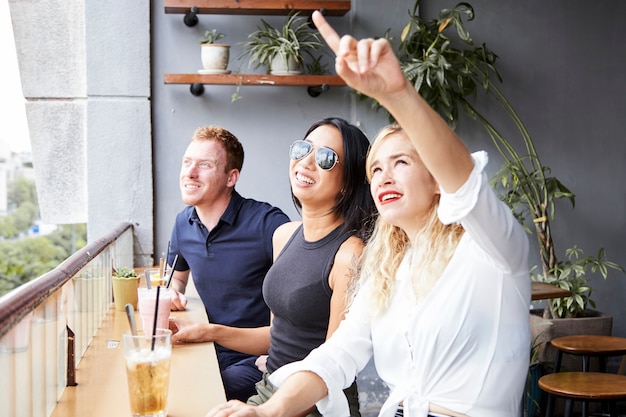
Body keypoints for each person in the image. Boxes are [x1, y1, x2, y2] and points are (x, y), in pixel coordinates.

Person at [205, 10, 531, 417]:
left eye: (401, 163)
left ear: (436, 180)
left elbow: (466, 184)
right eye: (376, 168)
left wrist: (397, 95)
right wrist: (267, 411)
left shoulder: (493, 251)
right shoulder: (388, 267)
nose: (383, 177)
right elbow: (336, 354)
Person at [169, 117, 376, 417]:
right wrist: (206, 331)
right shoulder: (284, 236)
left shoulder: (349, 253)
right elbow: (279, 337)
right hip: (273, 385)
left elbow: (333, 368)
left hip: (317, 402)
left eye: (325, 158)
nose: (306, 162)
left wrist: (266, 411)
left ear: (348, 184)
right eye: (303, 149)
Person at [166, 125, 290, 401]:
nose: (190, 173)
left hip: (254, 360)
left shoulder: (268, 224)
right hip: (206, 349)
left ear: (231, 177)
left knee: (191, 396)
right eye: (187, 163)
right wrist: (173, 292)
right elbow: (176, 276)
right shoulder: (182, 223)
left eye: (204, 165)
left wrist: (279, 352)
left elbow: (303, 300)